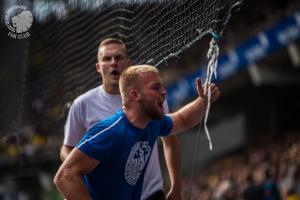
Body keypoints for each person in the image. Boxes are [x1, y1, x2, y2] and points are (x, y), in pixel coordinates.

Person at [54, 64, 220, 200]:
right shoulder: (111, 131)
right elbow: (65, 176)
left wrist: (202, 101)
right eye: (156, 87)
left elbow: (182, 119)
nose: (164, 91)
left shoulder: (153, 122)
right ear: (134, 94)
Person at [59, 38, 181, 200]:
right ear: (98, 67)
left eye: (118, 57)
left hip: (150, 193)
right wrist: (89, 166)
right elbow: (66, 149)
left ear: (129, 63)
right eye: (106, 59)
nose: (113, 63)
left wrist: (176, 186)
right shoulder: (82, 104)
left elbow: (170, 141)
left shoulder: (153, 96)